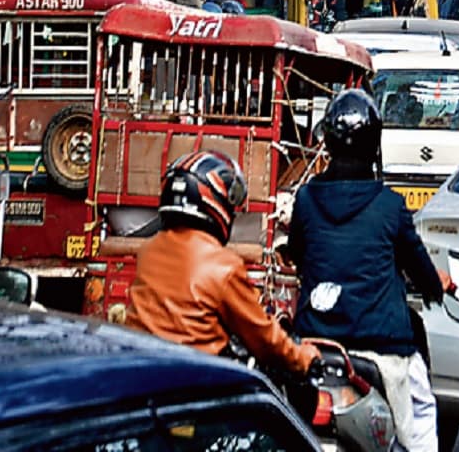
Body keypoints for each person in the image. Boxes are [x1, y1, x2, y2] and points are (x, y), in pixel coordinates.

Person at [288, 89, 446, 452]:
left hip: (316, 345)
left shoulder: (306, 200)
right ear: (374, 143)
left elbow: (298, 253)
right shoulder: (391, 206)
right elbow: (422, 272)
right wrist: (436, 285)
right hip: (383, 351)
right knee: (421, 419)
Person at [126, 150, 319, 375]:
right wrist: (304, 358)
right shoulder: (223, 266)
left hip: (143, 373)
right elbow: (265, 339)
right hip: (196, 383)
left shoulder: (149, 252)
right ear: (213, 201)